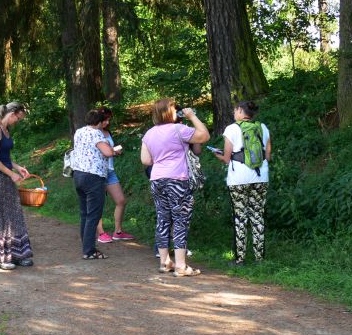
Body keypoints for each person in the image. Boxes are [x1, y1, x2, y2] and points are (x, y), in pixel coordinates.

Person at [141, 99, 209, 277]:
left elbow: (146, 161)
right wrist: (192, 116)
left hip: (157, 179)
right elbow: (204, 136)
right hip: (178, 179)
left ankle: (164, 263)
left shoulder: (149, 133)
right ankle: (181, 265)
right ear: (171, 113)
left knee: (163, 219)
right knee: (180, 220)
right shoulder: (179, 129)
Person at [212, 100, 271, 264]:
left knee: (240, 217)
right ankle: (260, 259)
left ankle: (240, 259)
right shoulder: (262, 127)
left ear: (239, 111)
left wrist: (218, 155)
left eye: (234, 110)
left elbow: (226, 158)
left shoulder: (231, 129)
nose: (233, 113)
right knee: (258, 216)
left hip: (238, 178)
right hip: (261, 177)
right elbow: (268, 155)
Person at [0, 102, 34, 271]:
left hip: (5, 175)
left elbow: (4, 157)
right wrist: (11, 174)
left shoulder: (6, 130)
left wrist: (17, 167)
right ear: (11, 114)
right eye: (18, 118)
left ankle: (17, 254)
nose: (17, 121)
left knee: (13, 213)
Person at [72, 109, 116, 259]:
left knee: (84, 213)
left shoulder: (79, 131)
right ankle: (89, 251)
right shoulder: (96, 133)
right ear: (99, 122)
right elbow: (107, 152)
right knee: (93, 214)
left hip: (78, 174)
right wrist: (115, 151)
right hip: (93, 177)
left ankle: (86, 245)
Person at [95, 107, 134, 244]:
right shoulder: (92, 133)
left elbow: (109, 150)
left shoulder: (107, 132)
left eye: (108, 120)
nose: (107, 122)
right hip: (97, 172)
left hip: (110, 171)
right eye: (105, 119)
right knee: (98, 203)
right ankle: (101, 233)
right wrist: (111, 151)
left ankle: (118, 231)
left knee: (121, 200)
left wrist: (116, 151)